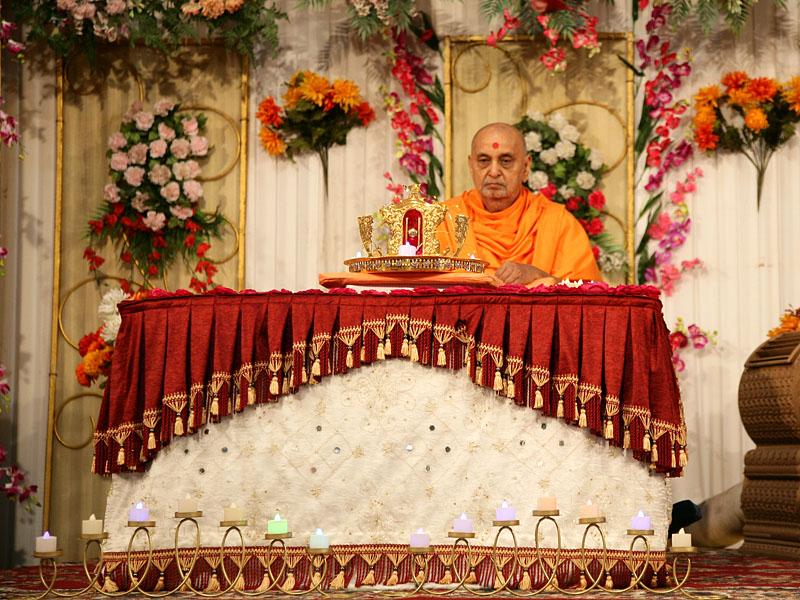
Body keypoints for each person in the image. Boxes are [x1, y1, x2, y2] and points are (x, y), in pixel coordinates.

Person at [440, 122, 602, 286]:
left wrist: (539, 276)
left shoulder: (558, 222)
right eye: (484, 160)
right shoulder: (444, 219)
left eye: (506, 161)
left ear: (526, 167)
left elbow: (589, 293)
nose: (494, 172)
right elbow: (428, 288)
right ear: (471, 166)